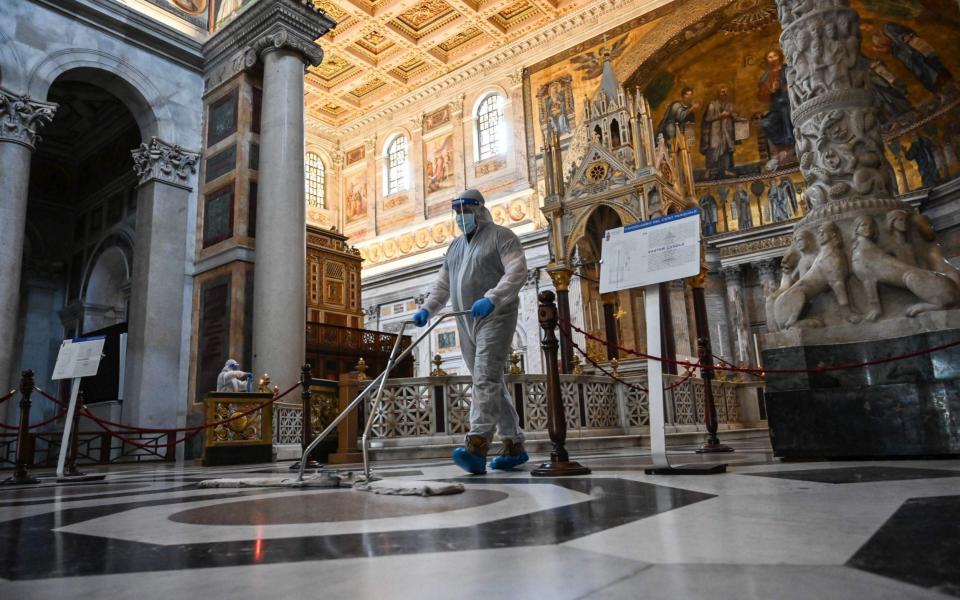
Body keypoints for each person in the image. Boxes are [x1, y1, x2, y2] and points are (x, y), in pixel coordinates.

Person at [413, 189, 528, 474]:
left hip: (496, 316)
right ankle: (514, 446)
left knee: (485, 377)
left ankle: (476, 446)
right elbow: (443, 285)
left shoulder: (502, 236)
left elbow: (517, 271)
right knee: (490, 382)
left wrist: (492, 297)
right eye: (456, 213)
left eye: (464, 212)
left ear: (478, 210)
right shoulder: (454, 248)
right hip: (466, 321)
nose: (459, 218)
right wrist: (427, 309)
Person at [700, 85, 737, 178]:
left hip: (726, 130)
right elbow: (708, 118)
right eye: (722, 92)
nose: (724, 94)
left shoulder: (729, 105)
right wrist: (721, 116)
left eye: (725, 92)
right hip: (715, 131)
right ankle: (708, 170)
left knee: (725, 150)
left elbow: (733, 115)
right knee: (713, 150)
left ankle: (726, 170)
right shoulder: (712, 105)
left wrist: (733, 115)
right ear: (718, 94)